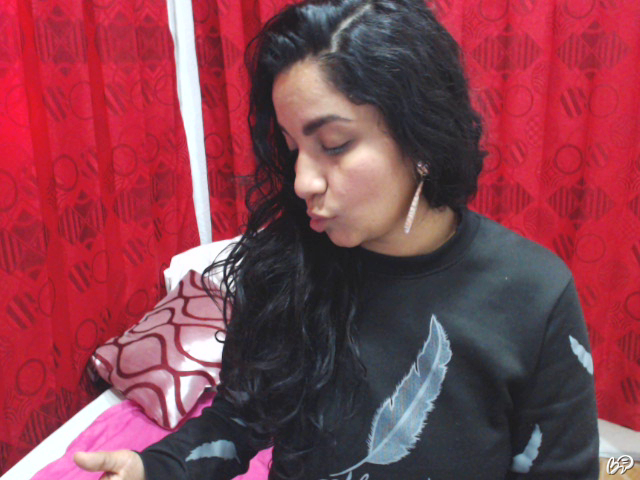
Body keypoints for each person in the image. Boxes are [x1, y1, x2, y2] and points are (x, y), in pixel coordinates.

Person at [74, 0, 600, 478]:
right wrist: (152, 469)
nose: (303, 181)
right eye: (292, 149)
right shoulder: (287, 268)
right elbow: (238, 419)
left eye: (334, 144)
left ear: (421, 135)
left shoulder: (535, 295)